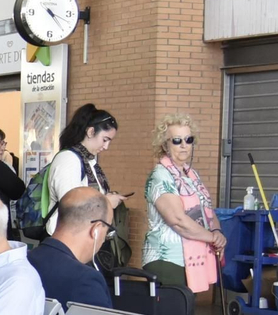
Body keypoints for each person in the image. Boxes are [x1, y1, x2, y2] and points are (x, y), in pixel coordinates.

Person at [141, 114, 224, 291]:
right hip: (168, 260)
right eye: (177, 140)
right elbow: (178, 220)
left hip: (191, 258)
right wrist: (212, 238)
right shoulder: (160, 175)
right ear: (165, 145)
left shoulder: (191, 175)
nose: (184, 145)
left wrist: (216, 231)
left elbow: (207, 211)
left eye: (189, 139)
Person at [26, 187, 113, 309]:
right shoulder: (86, 280)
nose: (104, 239)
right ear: (96, 229)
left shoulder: (24, 260)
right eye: (108, 231)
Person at [46, 104, 123, 235]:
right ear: (90, 132)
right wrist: (106, 202)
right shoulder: (68, 159)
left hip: (79, 237)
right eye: (105, 140)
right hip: (66, 238)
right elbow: (71, 204)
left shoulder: (88, 160)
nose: (106, 147)